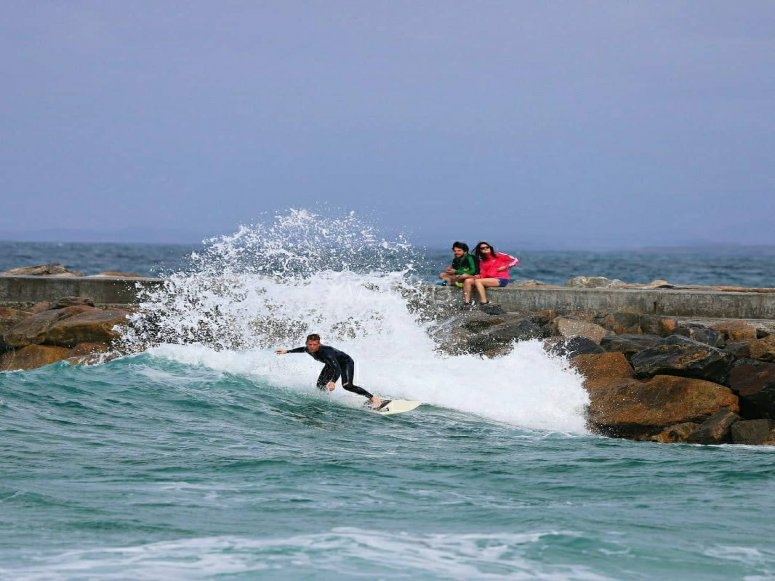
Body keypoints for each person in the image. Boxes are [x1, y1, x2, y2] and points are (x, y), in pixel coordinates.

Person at [275, 334, 383, 408]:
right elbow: (301, 349)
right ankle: (326, 401)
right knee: (320, 386)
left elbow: (338, 369)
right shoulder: (307, 348)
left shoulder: (327, 353)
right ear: (307, 343)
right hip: (331, 365)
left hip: (345, 363)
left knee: (347, 385)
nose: (312, 347)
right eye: (310, 344)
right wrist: (286, 351)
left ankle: (373, 398)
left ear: (319, 344)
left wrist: (332, 381)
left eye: (315, 345)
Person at [461, 242, 519, 307]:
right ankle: (467, 303)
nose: (485, 249)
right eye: (482, 248)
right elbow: (484, 275)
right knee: (467, 281)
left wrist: (505, 266)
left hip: (502, 279)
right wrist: (477, 276)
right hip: (489, 279)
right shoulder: (482, 262)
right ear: (480, 251)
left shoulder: (499, 255)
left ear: (490, 248)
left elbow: (515, 260)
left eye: (487, 247)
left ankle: (484, 302)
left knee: (478, 281)